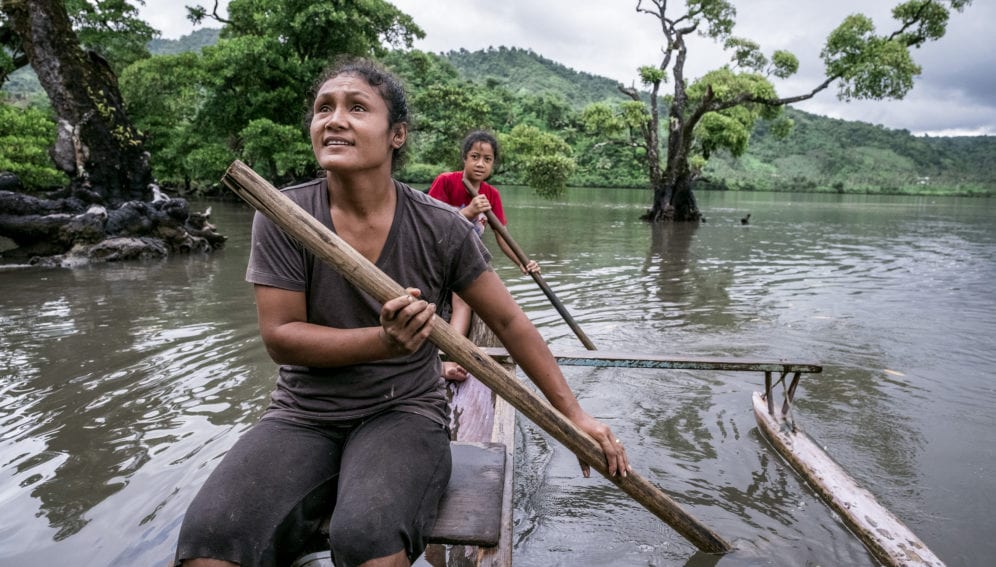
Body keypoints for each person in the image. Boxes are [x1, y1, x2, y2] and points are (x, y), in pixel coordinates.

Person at [174, 57, 628, 567]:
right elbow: (281, 337)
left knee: (367, 538)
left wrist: (574, 415)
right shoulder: (285, 215)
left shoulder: (441, 226)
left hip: (403, 411)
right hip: (303, 413)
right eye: (324, 108)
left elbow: (508, 322)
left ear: (397, 135)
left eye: (356, 108)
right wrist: (383, 340)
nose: (334, 119)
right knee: (209, 540)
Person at [429, 131, 538, 381]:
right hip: (436, 255)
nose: (480, 164)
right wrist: (468, 212)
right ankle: (442, 357)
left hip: (464, 261)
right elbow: (431, 225)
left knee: (465, 300)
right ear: (464, 158)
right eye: (475, 157)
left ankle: (450, 356)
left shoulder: (491, 195)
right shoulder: (446, 182)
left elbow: (502, 236)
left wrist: (523, 263)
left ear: (492, 164)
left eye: (487, 159)